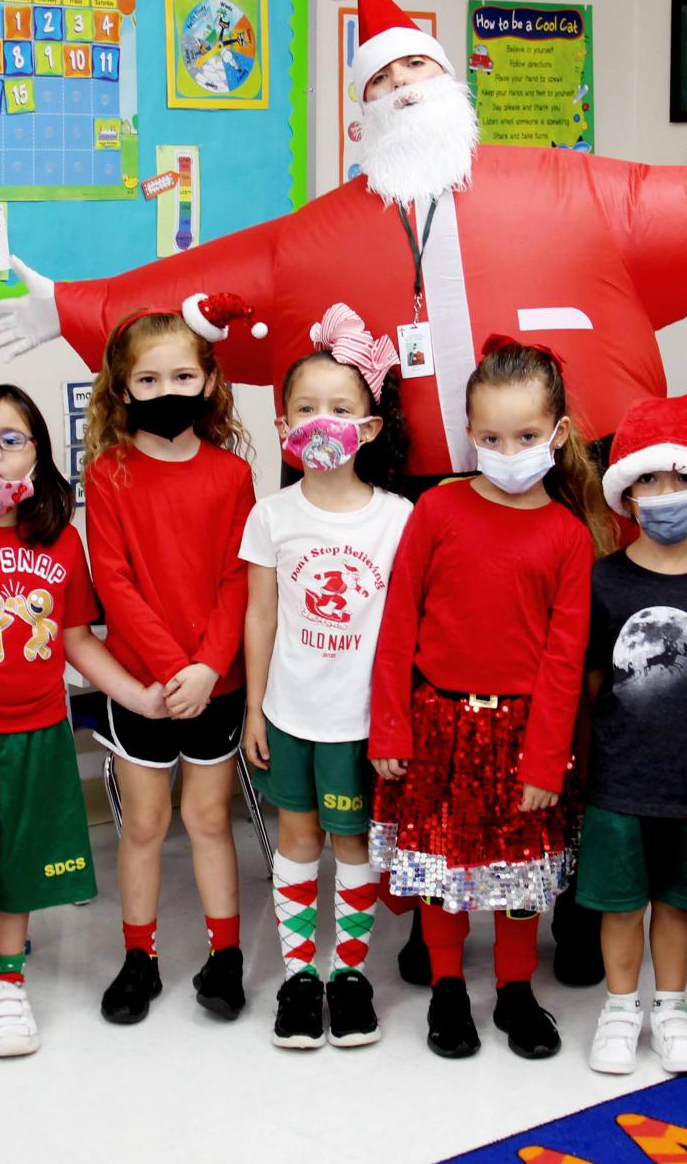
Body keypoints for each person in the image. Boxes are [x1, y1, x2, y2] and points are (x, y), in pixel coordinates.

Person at [0, 0, 687, 484]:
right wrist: (74, 304)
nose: (400, 92)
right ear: (361, 119)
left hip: (572, 462)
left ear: (452, 86)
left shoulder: (569, 189)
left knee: (571, 668)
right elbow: (216, 280)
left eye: (414, 76)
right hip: (410, 486)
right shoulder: (322, 234)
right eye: (380, 85)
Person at [0, 384, 166, 1071]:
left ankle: (8, 982)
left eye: (11, 439)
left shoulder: (59, 538)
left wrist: (137, 697)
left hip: (40, 736)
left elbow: (78, 640)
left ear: (39, 457)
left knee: (18, 869)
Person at [370, 337, 608, 1060]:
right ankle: (447, 988)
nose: (510, 450)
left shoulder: (568, 535)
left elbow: (566, 658)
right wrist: (388, 731)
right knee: (444, 873)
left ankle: (513, 991)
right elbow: (398, 623)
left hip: (523, 735)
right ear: (470, 434)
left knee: (518, 879)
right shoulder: (437, 513)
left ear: (559, 434)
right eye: (492, 437)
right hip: (437, 723)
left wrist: (546, 760)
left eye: (528, 436)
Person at [240, 303, 413, 1049]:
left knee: (353, 846)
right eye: (305, 408)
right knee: (298, 839)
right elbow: (260, 619)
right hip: (289, 713)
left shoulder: (399, 519)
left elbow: (408, 630)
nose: (322, 421)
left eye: (341, 408)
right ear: (283, 426)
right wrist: (253, 709)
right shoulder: (271, 515)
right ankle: (298, 977)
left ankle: (349, 977)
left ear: (369, 428)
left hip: (360, 723)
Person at [84, 292, 259, 1025]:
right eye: (148, 382)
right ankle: (139, 956)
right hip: (145, 691)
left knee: (210, 820)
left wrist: (207, 669)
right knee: (147, 825)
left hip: (211, 683)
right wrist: (165, 672)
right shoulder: (108, 474)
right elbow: (114, 582)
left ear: (209, 382)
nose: (166, 393)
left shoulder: (231, 475)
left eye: (182, 378)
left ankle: (226, 956)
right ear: (123, 390)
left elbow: (237, 578)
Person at [578, 395, 687, 1075]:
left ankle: (672, 1008)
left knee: (679, 899)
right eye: (649, 480)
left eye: (682, 480)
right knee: (620, 903)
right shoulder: (604, 579)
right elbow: (590, 680)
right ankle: (620, 1009)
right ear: (626, 492)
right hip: (618, 780)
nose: (666, 495)